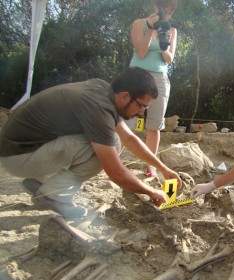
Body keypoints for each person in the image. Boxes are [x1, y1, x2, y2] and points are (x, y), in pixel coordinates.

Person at [0, 67, 182, 219]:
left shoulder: (103, 90)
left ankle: (40, 181)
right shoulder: (99, 108)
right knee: (103, 150)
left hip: (25, 148)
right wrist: (152, 192)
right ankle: (53, 195)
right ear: (126, 96)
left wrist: (163, 168)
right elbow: (116, 173)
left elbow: (130, 139)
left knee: (116, 141)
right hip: (18, 157)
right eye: (142, 106)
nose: (141, 113)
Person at [127, 0, 178, 178]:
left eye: (171, 12)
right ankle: (112, 159)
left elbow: (169, 59)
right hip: (137, 75)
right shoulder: (139, 23)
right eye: (166, 10)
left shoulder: (172, 31)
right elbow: (140, 52)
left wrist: (165, 43)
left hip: (160, 78)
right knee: (126, 121)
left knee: (154, 125)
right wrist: (151, 28)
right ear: (156, 7)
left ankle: (150, 166)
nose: (168, 14)